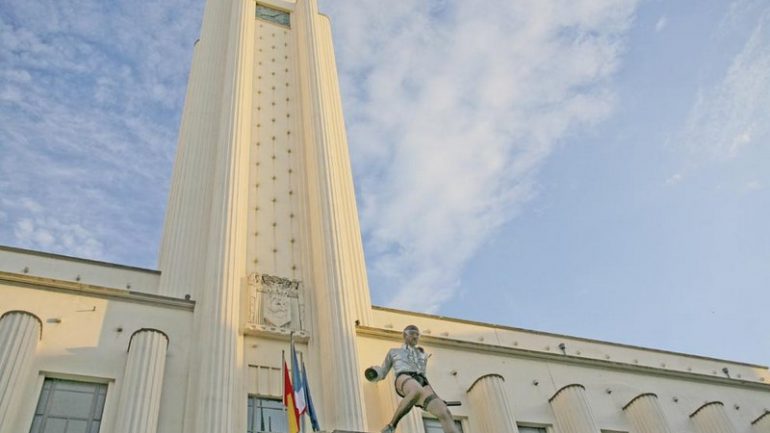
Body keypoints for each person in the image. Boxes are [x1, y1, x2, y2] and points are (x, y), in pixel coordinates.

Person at [365, 325, 461, 433]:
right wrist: (373, 372)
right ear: (405, 335)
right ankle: (392, 425)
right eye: (412, 334)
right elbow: (383, 371)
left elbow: (424, 377)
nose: (415, 337)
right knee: (416, 390)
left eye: (417, 335)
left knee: (444, 411)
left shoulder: (422, 355)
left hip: (421, 382)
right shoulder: (394, 352)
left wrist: (437, 397)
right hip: (404, 377)